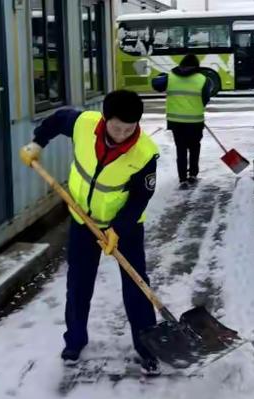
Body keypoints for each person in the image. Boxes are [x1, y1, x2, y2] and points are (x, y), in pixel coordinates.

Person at [20, 90, 161, 376]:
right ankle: (74, 340)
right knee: (79, 283)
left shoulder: (145, 153)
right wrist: (37, 143)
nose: (122, 134)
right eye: (116, 127)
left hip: (126, 227)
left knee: (136, 286)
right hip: (82, 221)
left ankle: (147, 345)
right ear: (105, 119)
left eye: (129, 129)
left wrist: (117, 230)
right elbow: (57, 120)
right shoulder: (84, 124)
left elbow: (140, 197)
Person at [152, 54, 212, 189]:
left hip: (176, 121)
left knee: (181, 149)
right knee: (195, 147)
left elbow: (156, 85)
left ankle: (182, 178)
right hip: (195, 121)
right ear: (197, 66)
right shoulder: (203, 80)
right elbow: (206, 99)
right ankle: (193, 175)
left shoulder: (170, 77)